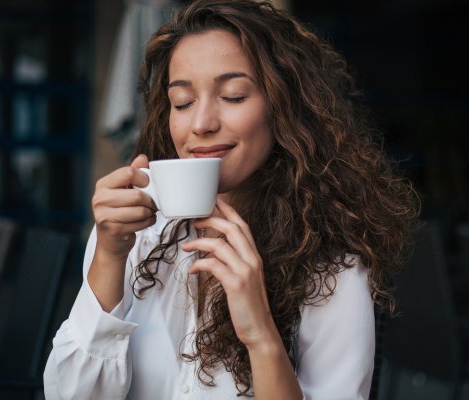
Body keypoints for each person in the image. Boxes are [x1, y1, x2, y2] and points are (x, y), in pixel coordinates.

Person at [43, 0, 419, 399]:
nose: (202, 124)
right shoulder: (138, 237)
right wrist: (108, 257)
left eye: (234, 96)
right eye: (183, 102)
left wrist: (260, 332)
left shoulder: (330, 269)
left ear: (284, 108)